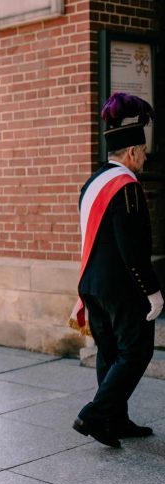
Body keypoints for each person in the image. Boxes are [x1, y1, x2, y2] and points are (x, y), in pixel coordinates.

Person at [71, 92, 163, 448]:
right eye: (142, 150)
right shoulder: (126, 187)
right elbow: (132, 248)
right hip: (120, 286)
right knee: (137, 352)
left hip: (92, 284)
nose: (145, 155)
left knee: (109, 353)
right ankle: (95, 413)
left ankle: (114, 420)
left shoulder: (93, 182)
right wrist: (153, 291)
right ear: (130, 153)